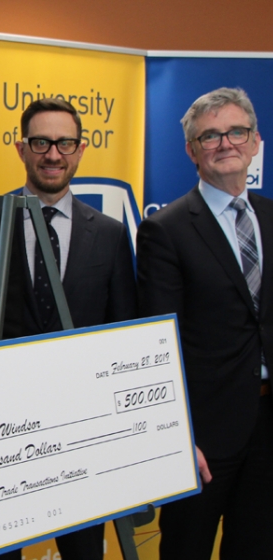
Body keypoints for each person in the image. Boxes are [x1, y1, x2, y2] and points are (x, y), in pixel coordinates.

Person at [0, 97, 137, 560]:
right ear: (21, 149)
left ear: (80, 151)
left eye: (65, 143)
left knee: (83, 552)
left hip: (83, 432)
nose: (53, 154)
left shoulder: (112, 235)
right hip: (3, 430)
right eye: (41, 142)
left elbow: (123, 333)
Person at [137, 87, 273, 559]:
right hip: (205, 436)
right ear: (193, 150)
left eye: (236, 131)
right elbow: (159, 342)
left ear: (255, 141)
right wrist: (178, 433)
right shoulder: (166, 229)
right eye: (209, 136)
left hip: (268, 426)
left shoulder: (272, 218)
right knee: (186, 549)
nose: (225, 143)